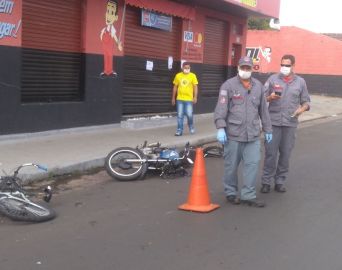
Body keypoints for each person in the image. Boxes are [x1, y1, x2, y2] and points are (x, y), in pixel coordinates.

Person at [214, 56, 272, 207]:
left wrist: (268, 129)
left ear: (252, 69)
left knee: (252, 164)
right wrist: (221, 127)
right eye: (243, 67)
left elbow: (263, 110)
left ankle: (248, 195)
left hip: (252, 134)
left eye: (248, 68)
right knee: (231, 166)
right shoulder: (228, 85)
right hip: (233, 134)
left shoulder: (258, 86)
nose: (245, 70)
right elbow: (221, 108)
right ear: (238, 68)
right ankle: (231, 192)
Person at [260, 54, 310, 193]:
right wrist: (269, 97)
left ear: (293, 66)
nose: (284, 67)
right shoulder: (272, 79)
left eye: (287, 65)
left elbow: (306, 101)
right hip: (273, 123)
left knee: (285, 153)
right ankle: (266, 181)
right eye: (282, 65)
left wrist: (303, 108)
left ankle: (280, 181)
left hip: (290, 122)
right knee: (270, 153)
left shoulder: (300, 82)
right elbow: (260, 99)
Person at [172, 62, 199, 136]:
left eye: (188, 68)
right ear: (182, 68)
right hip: (179, 99)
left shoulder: (193, 76)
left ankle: (191, 126)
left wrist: (195, 97)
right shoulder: (178, 76)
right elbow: (175, 87)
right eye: (185, 68)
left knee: (189, 114)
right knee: (180, 115)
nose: (187, 69)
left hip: (189, 99)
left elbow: (195, 87)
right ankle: (179, 130)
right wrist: (173, 98)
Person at [100, 0, 123, 78]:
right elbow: (101, 36)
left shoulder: (112, 29)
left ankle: (110, 71)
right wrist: (103, 41)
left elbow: (115, 38)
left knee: (110, 58)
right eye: (108, 11)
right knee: (106, 58)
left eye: (112, 13)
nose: (109, 15)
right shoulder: (104, 29)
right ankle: (106, 71)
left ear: (116, 18)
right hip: (105, 47)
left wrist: (118, 45)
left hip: (110, 47)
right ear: (105, 13)